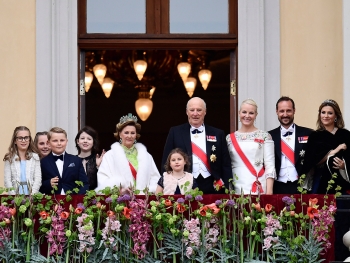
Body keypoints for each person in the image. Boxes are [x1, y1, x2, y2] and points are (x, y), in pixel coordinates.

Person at [162, 97, 232, 194]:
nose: (195, 113)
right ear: (187, 112)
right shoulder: (175, 132)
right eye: (192, 110)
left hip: (212, 183)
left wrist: (227, 185)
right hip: (184, 183)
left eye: (199, 110)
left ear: (205, 112)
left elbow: (225, 163)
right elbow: (166, 160)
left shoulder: (217, 133)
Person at [95, 113, 160, 193]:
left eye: (133, 133)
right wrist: (119, 191)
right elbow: (103, 179)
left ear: (136, 135)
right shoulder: (110, 155)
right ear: (120, 134)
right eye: (126, 133)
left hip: (143, 201)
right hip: (120, 201)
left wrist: (148, 191)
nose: (130, 136)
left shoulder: (146, 156)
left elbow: (155, 178)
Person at [226, 99, 276, 194]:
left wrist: (269, 192)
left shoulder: (265, 136)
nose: (247, 116)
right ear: (239, 113)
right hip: (236, 185)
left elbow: (270, 165)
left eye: (251, 113)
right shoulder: (229, 138)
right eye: (244, 112)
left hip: (259, 185)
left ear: (256, 115)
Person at [303, 99, 350, 194]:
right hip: (320, 180)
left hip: (341, 180)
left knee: (341, 208)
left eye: (330, 113)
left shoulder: (345, 134)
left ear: (336, 116)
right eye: (323, 112)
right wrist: (335, 151)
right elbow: (312, 161)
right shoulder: (315, 136)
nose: (326, 116)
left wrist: (344, 166)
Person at [268, 97, 313, 194]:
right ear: (277, 112)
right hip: (277, 187)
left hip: (301, 186)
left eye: (288, 111)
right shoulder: (269, 136)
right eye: (281, 111)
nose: (285, 114)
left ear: (294, 111)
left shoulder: (308, 133)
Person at [40, 127, 89, 195]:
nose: (59, 143)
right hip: (52, 202)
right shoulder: (43, 162)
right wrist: (48, 183)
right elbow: (38, 185)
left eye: (62, 140)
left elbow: (84, 183)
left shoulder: (76, 160)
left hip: (73, 202)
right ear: (48, 143)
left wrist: (78, 199)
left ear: (66, 141)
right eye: (55, 141)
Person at [3, 126, 42, 195]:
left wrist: (32, 195)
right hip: (15, 197)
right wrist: (14, 197)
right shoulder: (9, 158)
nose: (23, 140)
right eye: (20, 138)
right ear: (15, 140)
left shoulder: (35, 157)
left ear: (29, 140)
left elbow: (38, 179)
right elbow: (7, 181)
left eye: (26, 137)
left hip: (32, 197)